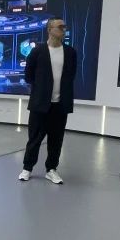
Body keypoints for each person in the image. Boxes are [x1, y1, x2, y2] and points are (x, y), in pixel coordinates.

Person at [19, 17, 77, 184]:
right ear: (50, 30)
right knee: (34, 138)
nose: (63, 29)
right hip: (40, 104)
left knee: (56, 140)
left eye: (64, 27)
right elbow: (28, 75)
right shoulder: (38, 51)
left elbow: (71, 75)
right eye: (60, 27)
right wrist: (41, 89)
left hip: (60, 105)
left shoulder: (70, 52)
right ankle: (27, 168)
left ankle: (51, 169)